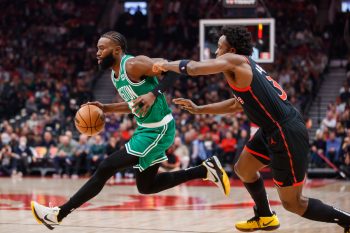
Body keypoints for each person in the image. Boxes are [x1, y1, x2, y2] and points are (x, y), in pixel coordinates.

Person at [147, 26, 350, 232]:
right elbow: (237, 103)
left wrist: (165, 65)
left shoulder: (237, 61)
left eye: (219, 48)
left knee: (293, 203)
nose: (216, 52)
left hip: (285, 132)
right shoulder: (241, 68)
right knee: (243, 169)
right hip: (271, 129)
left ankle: (346, 220)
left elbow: (195, 68)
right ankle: (265, 216)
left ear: (232, 51)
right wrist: (200, 109)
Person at [30, 31, 230, 230]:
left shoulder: (134, 64)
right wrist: (107, 108)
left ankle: (58, 214)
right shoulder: (115, 75)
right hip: (145, 129)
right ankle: (205, 169)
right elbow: (134, 104)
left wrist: (153, 94)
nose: (97, 53)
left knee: (106, 167)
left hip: (159, 129)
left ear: (116, 51)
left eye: (101, 48)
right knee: (146, 187)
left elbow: (173, 69)